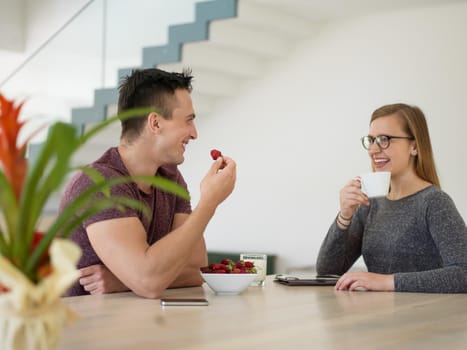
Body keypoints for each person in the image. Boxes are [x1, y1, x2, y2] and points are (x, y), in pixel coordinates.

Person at [59, 68, 236, 298]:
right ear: (155, 123)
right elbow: (149, 282)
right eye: (188, 121)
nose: (194, 134)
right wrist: (208, 203)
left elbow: (196, 269)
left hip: (135, 326)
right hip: (83, 329)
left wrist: (125, 282)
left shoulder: (169, 178)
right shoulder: (99, 184)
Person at [316, 103, 467, 293]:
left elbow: (464, 274)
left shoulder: (434, 202)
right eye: (371, 140)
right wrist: (344, 217)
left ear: (414, 146)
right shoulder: (370, 205)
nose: (373, 149)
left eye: (384, 139)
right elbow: (327, 271)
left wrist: (386, 282)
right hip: (381, 317)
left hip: (423, 318)